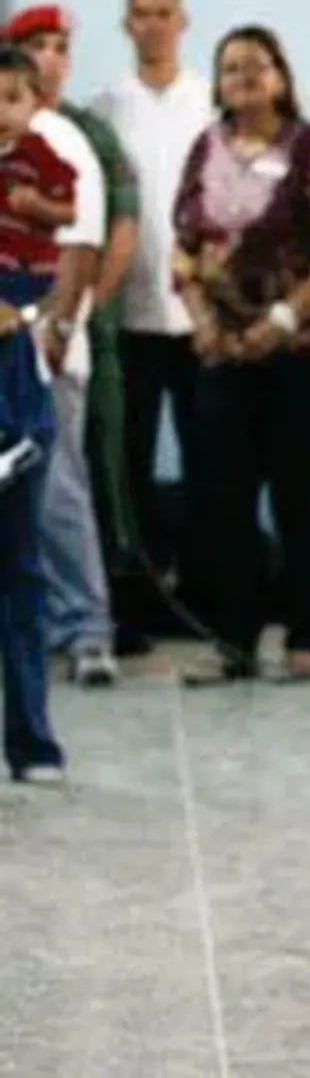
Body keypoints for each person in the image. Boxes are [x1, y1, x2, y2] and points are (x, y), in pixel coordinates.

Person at [172, 26, 310, 685]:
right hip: (224, 347)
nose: (244, 76)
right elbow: (185, 246)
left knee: (295, 486)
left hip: (309, 343)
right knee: (225, 492)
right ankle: (235, 640)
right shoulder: (207, 148)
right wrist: (202, 321)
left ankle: (306, 637)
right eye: (230, 68)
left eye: (257, 65)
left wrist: (279, 321)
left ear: (281, 76)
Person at [6, 4, 136, 687]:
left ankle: (87, 631)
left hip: (44, 348)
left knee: (56, 490)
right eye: (37, 48)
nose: (50, 60)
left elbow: (81, 243)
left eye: (60, 49)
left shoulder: (61, 140)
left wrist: (58, 324)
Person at [93, 0, 217, 624]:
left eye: (164, 13)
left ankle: (203, 599)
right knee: (129, 469)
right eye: (140, 14)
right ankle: (135, 604)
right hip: (132, 318)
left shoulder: (209, 102)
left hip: (200, 321)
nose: (153, 25)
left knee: (209, 464)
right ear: (126, 25)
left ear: (183, 20)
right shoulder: (107, 107)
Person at [0, 42, 69, 782]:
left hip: (13, 374)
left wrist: (18, 307)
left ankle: (31, 739)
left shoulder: (39, 170)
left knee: (18, 572)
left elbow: (47, 271)